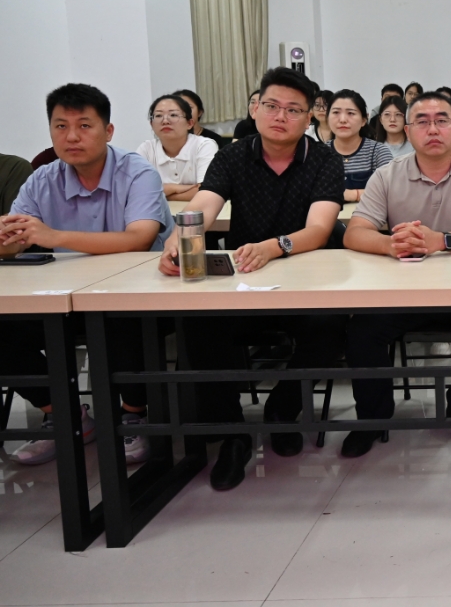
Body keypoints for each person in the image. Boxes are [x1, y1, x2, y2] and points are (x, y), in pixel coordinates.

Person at [160, 68, 346, 491]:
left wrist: (274, 247)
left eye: (293, 110)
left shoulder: (324, 160)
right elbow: (203, 206)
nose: (280, 116)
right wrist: (177, 242)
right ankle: (233, 433)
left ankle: (283, 409)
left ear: (309, 118)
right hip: (244, 281)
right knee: (198, 322)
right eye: (272, 106)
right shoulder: (233, 155)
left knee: (331, 326)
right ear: (256, 108)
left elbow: (319, 229)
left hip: (305, 282)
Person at [1, 83, 173, 467]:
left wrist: (54, 236)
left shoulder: (137, 172)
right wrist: (6, 241)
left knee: (119, 320)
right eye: (61, 126)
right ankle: (64, 414)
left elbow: (140, 239)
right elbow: (16, 241)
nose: (72, 137)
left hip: (139, 296)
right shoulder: (42, 179)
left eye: (84, 125)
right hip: (64, 298)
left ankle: (134, 414)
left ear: (108, 131)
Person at [339, 92, 451, 457]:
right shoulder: (388, 175)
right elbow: (354, 233)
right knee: (361, 333)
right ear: (407, 130)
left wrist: (441, 241)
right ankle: (373, 417)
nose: (433, 129)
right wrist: (389, 244)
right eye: (422, 121)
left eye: (442, 120)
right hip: (404, 291)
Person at [137, 93, 218, 201]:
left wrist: (162, 193)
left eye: (173, 115)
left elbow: (208, 191)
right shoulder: (146, 149)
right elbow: (137, 190)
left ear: (189, 123)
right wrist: (174, 188)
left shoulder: (204, 146)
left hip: (197, 209)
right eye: (159, 116)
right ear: (151, 124)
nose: (165, 121)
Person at [328, 89, 392, 204]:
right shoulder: (318, 153)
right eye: (336, 112)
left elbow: (391, 190)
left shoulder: (378, 151)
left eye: (351, 113)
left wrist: (352, 194)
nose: (342, 120)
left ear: (364, 120)